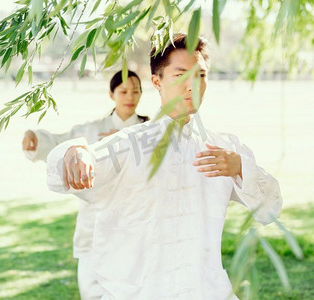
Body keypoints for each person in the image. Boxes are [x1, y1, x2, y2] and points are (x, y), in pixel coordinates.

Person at [46, 33, 282, 299]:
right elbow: (58, 176)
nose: (192, 84)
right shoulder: (130, 144)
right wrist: (73, 151)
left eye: (201, 75)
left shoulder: (223, 147)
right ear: (157, 81)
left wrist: (240, 168)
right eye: (181, 75)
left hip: (206, 290)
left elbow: (270, 210)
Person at [22, 70, 149, 300]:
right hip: (96, 224)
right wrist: (35, 137)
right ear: (112, 94)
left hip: (138, 223)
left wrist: (128, 142)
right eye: (123, 91)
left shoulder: (150, 131)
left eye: (136, 91)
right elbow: (61, 143)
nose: (130, 97)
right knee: (93, 290)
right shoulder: (92, 130)